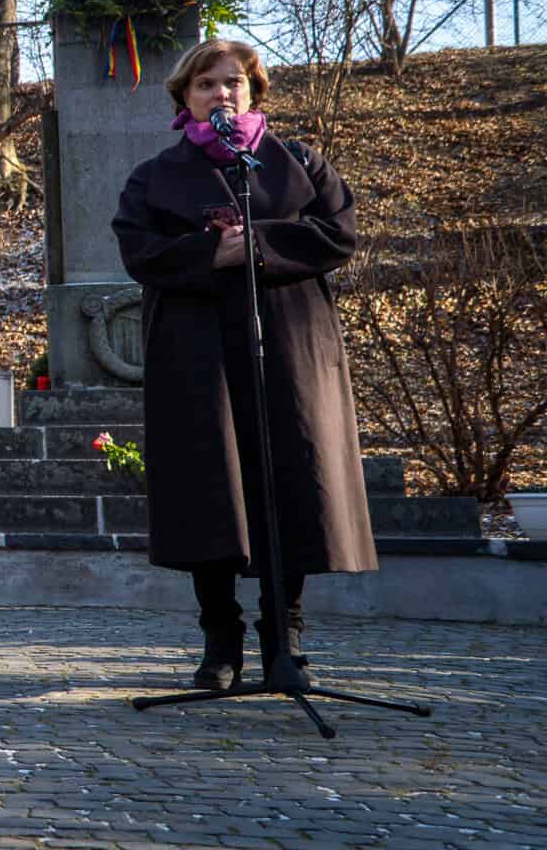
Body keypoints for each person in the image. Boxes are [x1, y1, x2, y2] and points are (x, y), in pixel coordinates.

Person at [113, 39, 375, 691]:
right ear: (185, 96)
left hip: (289, 343)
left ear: (254, 92)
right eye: (206, 84)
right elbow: (139, 250)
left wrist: (257, 245)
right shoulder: (155, 174)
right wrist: (210, 256)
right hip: (195, 349)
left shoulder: (298, 163)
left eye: (233, 82)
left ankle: (283, 640)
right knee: (213, 489)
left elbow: (337, 233)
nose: (221, 93)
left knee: (291, 478)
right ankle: (219, 642)